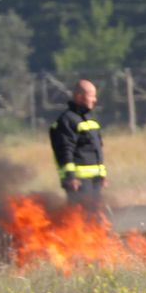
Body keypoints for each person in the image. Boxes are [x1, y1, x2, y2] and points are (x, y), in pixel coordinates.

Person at [50, 79, 107, 209]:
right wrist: (70, 177)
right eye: (91, 96)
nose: (95, 100)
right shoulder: (67, 120)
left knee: (95, 216)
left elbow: (98, 149)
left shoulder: (90, 121)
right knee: (81, 218)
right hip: (79, 182)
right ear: (79, 96)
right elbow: (65, 151)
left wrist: (102, 174)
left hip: (95, 181)